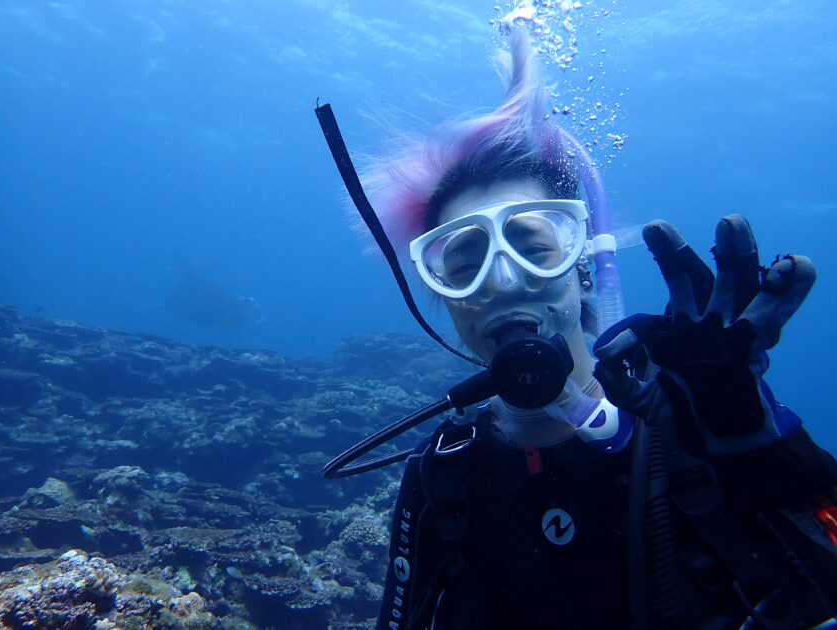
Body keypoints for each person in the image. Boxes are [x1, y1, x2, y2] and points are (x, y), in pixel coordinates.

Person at [345, 31, 837, 629]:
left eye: (533, 248)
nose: (503, 281)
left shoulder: (689, 426)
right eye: (464, 264)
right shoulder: (444, 475)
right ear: (446, 300)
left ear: (582, 273)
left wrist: (768, 457)